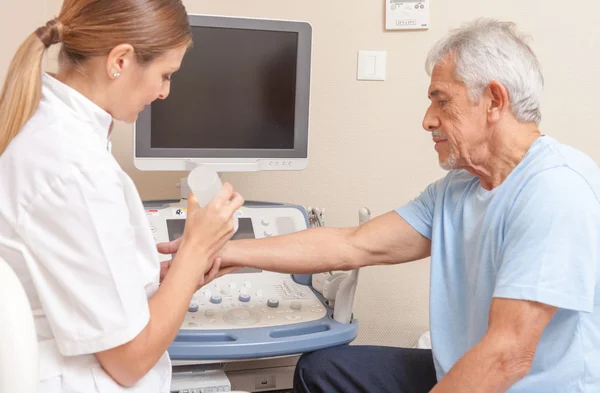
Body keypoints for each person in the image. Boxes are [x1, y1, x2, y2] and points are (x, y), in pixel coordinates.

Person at [167, 19, 600, 392]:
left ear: (494, 101)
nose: (427, 119)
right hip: (465, 370)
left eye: (441, 100)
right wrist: (223, 251)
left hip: (521, 383)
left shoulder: (555, 189)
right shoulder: (458, 190)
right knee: (322, 370)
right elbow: (353, 244)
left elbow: (508, 356)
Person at [0, 0, 243, 392]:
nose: (166, 92)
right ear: (121, 60)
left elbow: (75, 277)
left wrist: (164, 278)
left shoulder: (53, 130)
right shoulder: (75, 169)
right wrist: (196, 249)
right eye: (165, 75)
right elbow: (130, 360)